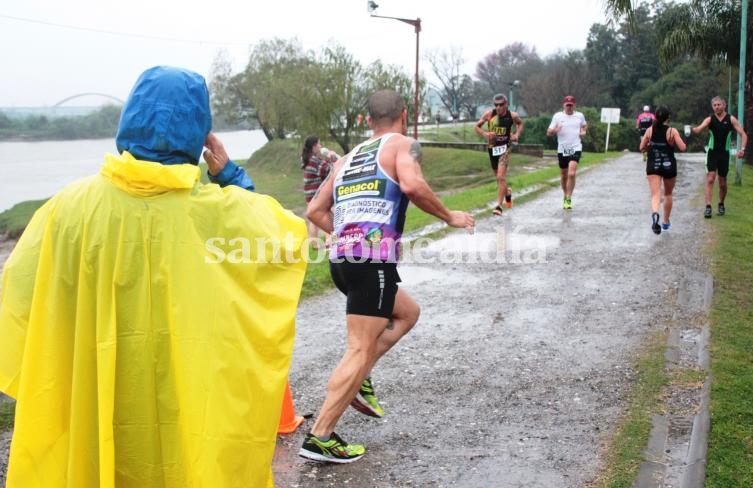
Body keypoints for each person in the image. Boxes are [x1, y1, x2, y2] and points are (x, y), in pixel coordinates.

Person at [0, 66, 307, 487]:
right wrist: (231, 175)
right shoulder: (220, 213)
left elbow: (19, 300)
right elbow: (282, 243)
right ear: (200, 134)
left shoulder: (66, 210)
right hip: (191, 417)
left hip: (96, 403)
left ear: (129, 119)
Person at [300, 89, 475, 463]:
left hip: (344, 261)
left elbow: (315, 209)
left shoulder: (346, 158)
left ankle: (360, 379)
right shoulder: (403, 144)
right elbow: (411, 186)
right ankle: (320, 437)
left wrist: (346, 234)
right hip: (370, 262)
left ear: (366, 121)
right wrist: (450, 217)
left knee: (407, 313)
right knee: (359, 348)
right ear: (405, 115)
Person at [689, 96, 748, 218]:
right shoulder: (710, 119)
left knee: (722, 183)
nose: (717, 107)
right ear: (712, 107)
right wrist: (692, 130)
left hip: (724, 154)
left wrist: (742, 149)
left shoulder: (731, 119)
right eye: (714, 105)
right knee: (710, 178)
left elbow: (743, 134)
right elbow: (699, 129)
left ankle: (721, 204)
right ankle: (708, 207)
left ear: (724, 105)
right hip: (712, 153)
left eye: (719, 104)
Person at [639, 106, 687, 234]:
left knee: (655, 194)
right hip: (668, 164)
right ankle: (665, 222)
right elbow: (682, 147)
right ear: (668, 118)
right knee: (668, 194)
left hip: (653, 164)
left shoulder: (650, 130)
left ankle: (655, 214)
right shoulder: (672, 131)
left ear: (655, 117)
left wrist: (649, 147)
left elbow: (641, 147)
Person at [474, 93, 524, 215]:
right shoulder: (489, 115)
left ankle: (498, 206)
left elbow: (520, 123)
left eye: (501, 105)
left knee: (501, 177)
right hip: (492, 149)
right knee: (498, 178)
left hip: (505, 149)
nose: (498, 107)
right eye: (496, 105)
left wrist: (517, 135)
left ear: (506, 104)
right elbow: (477, 126)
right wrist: (485, 134)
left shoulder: (512, 116)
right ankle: (508, 193)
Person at [546, 95, 588, 209]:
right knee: (564, 175)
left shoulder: (579, 116)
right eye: (567, 105)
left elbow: (584, 126)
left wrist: (583, 132)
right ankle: (565, 195)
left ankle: (569, 197)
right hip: (562, 149)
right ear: (563, 105)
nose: (569, 107)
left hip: (576, 147)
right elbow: (548, 132)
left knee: (571, 173)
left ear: (574, 105)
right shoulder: (557, 116)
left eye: (571, 105)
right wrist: (555, 130)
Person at [302, 135, 339, 247]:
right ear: (314, 146)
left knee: (313, 221)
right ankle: (329, 242)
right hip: (316, 194)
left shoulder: (307, 158)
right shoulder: (314, 160)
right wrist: (332, 157)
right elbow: (328, 170)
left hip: (309, 193)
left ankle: (315, 244)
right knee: (327, 214)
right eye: (319, 144)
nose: (321, 146)